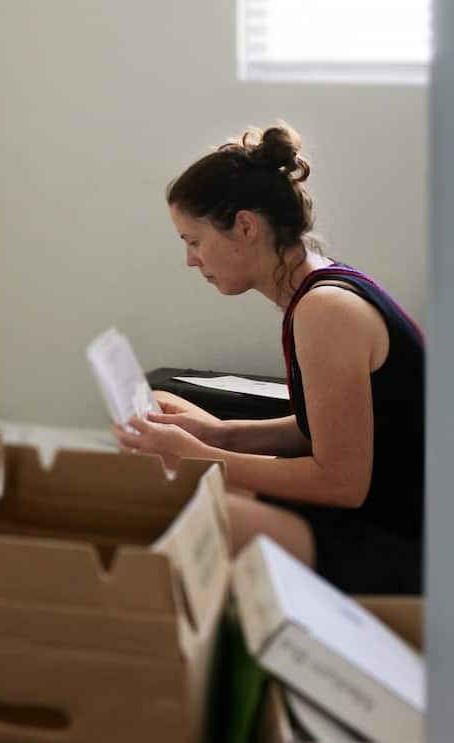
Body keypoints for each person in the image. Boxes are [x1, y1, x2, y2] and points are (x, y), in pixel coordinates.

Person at [114, 123, 425, 595]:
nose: (191, 261)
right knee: (167, 417)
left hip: (403, 540)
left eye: (193, 241)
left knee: (202, 511)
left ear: (245, 226)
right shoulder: (319, 287)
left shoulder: (326, 312)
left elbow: (342, 481)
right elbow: (321, 429)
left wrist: (202, 457)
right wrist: (220, 434)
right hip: (381, 507)